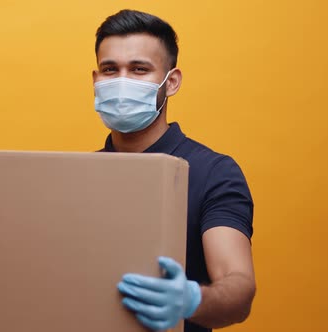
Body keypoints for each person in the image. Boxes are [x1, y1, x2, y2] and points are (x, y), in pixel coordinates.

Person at [92, 10, 256, 332]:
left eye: (139, 69)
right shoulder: (76, 177)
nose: (122, 82)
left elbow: (239, 288)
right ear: (95, 80)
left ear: (172, 81)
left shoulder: (214, 173)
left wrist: (193, 300)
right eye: (110, 70)